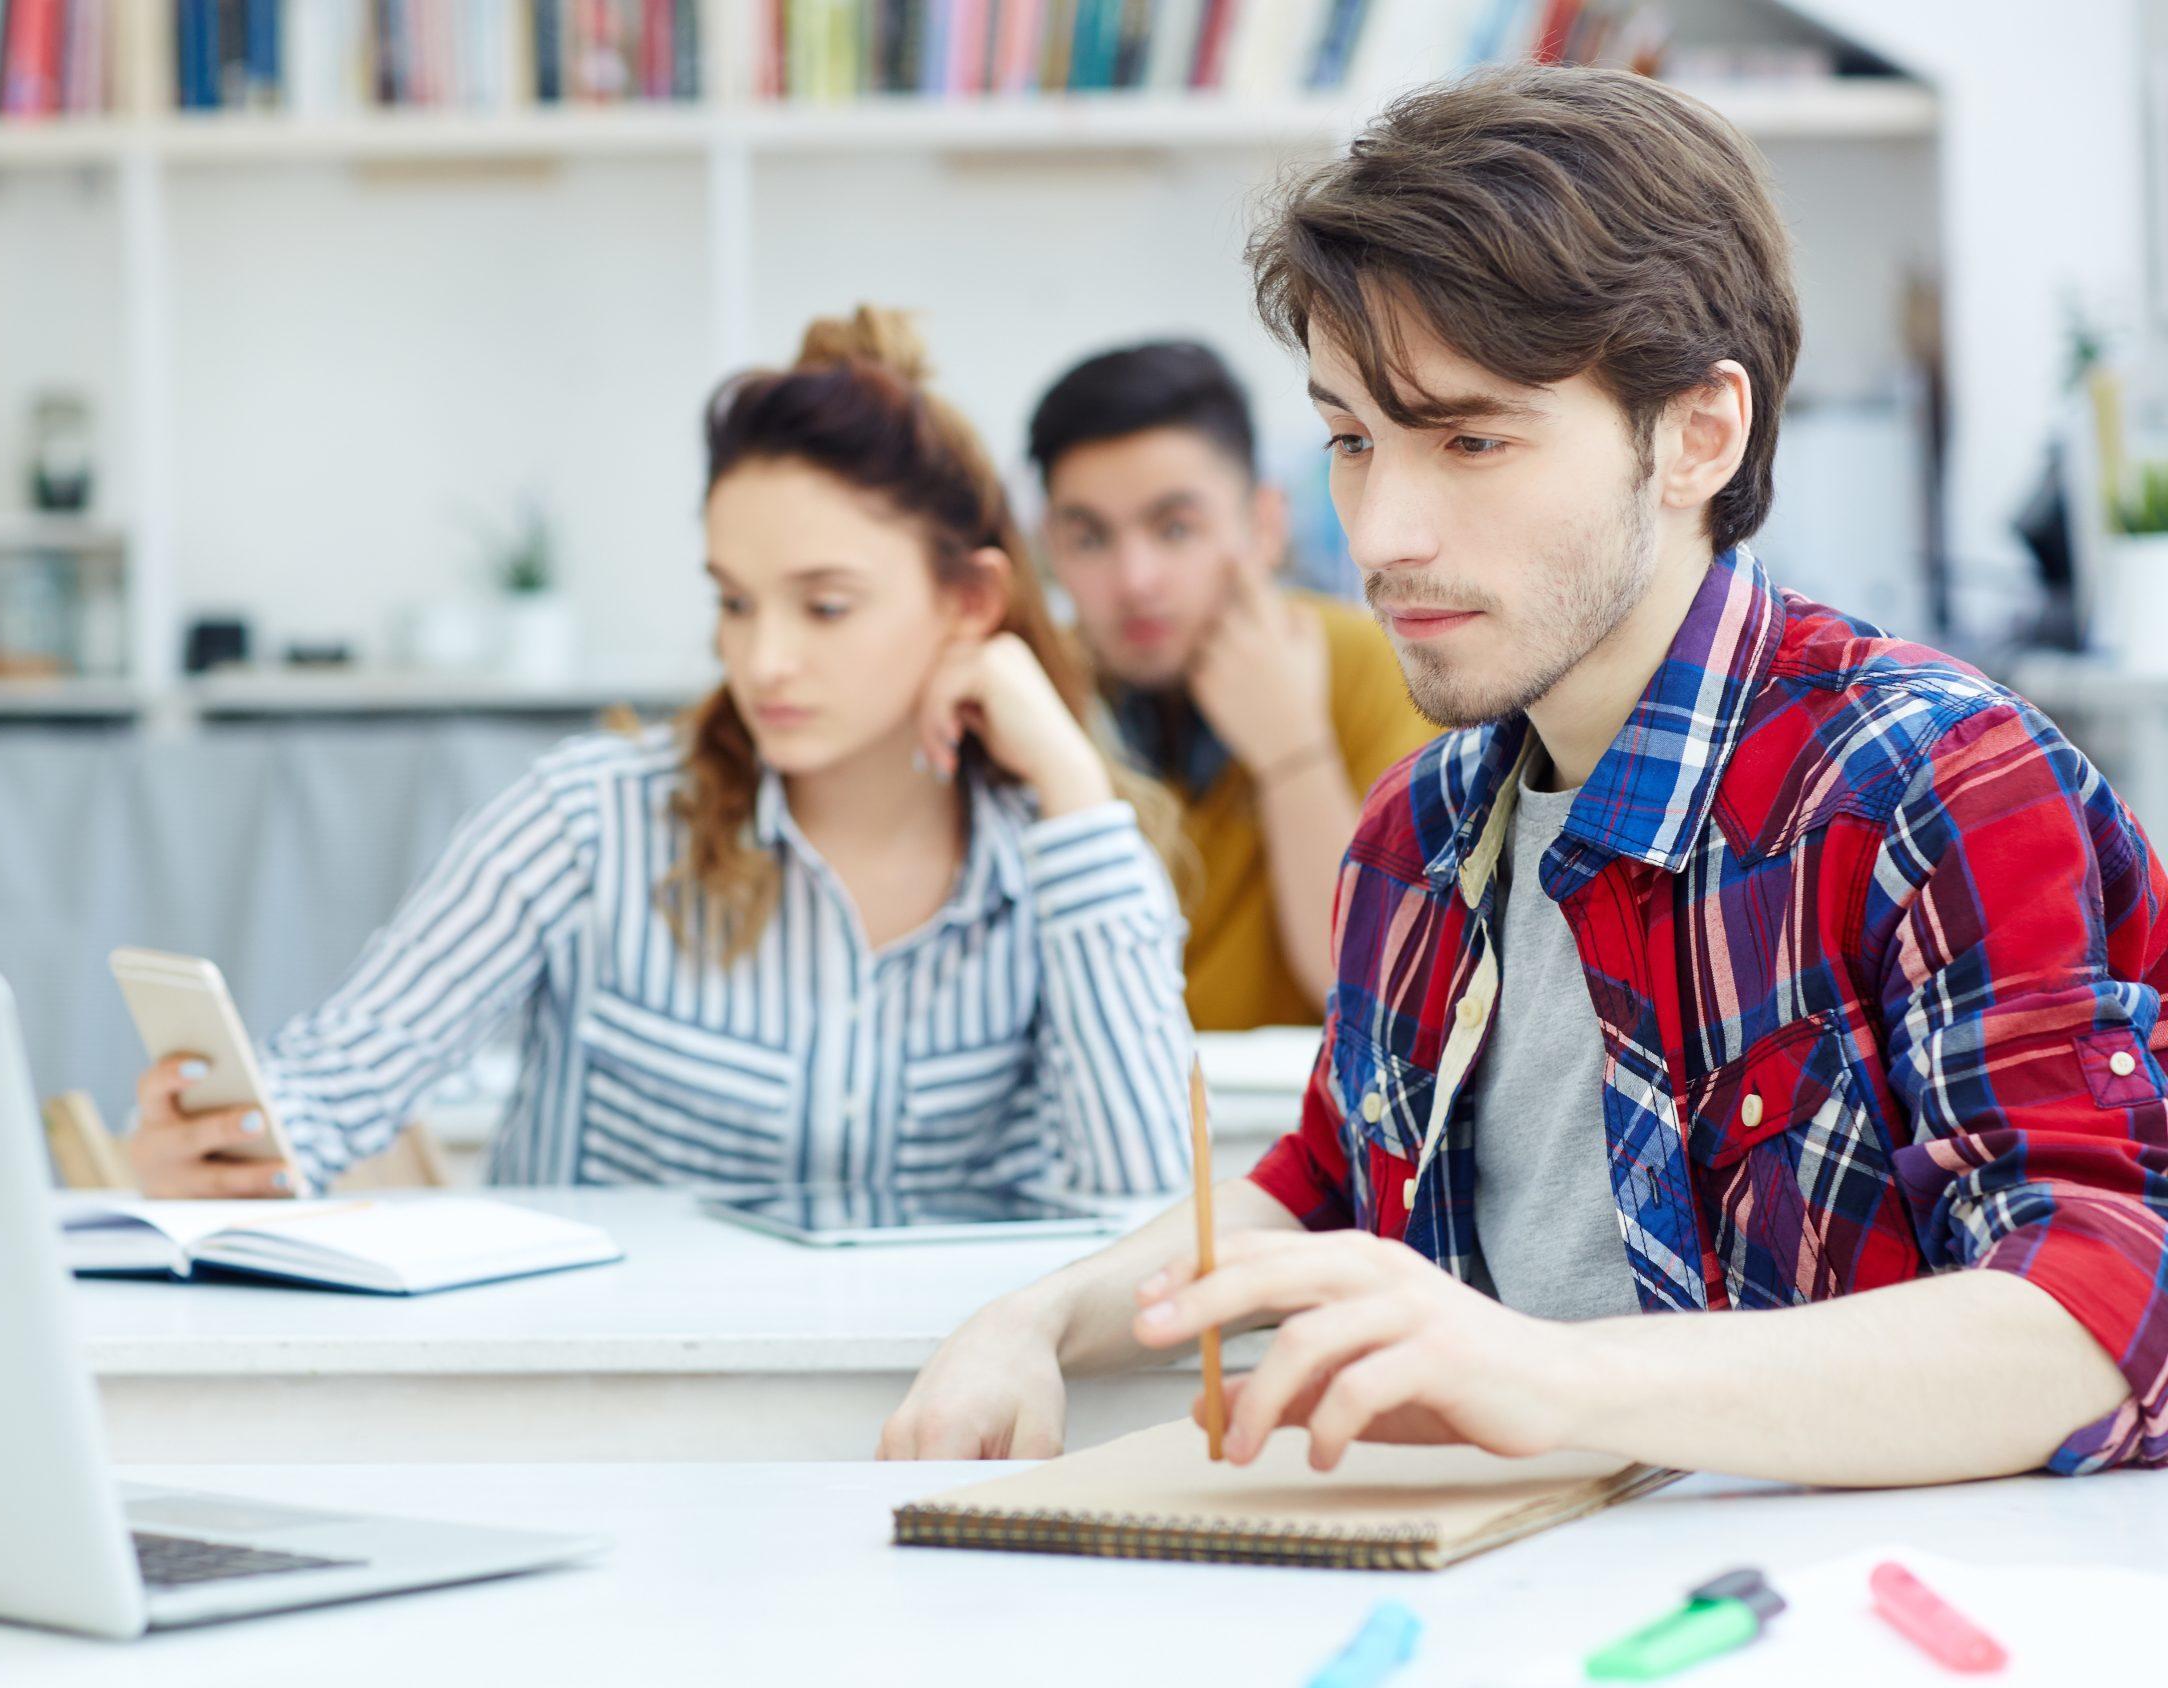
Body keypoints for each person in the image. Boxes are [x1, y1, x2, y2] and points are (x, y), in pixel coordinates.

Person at [880, 65, 2168, 1482]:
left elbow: (2103, 1316)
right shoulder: (1416, 833)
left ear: (1696, 432)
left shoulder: (1935, 784)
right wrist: (1037, 1317)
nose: (1383, 531)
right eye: (1354, 441)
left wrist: (1551, 1372)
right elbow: (1318, 1194)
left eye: (1471, 439)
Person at [129, 307, 1195, 1200]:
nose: (761, 658)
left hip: (928, 1434)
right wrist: (223, 1147)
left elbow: (1151, 1210)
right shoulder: (588, 825)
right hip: (593, 1417)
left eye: (825, 606)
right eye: (733, 602)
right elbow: (327, 1089)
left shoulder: (1053, 857)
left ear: (968, 603)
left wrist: (1069, 783)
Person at [1030, 342, 1439, 1023]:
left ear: (1263, 524)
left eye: (1176, 528)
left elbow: (1380, 997)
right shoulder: (1038, 701)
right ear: (1051, 548)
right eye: (1091, 538)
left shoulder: (1380, 664)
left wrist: (1293, 754)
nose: (1135, 580)